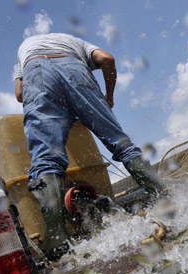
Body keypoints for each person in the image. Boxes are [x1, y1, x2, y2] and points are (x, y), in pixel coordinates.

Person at [13, 32, 164, 258]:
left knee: (46, 160)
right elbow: (107, 59)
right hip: (74, 67)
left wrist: (55, 107)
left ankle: (57, 238)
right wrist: (108, 98)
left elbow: (19, 94)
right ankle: (164, 196)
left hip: (35, 72)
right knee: (120, 143)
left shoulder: (25, 50)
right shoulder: (74, 41)